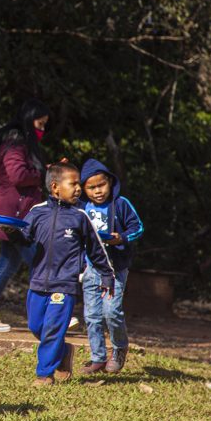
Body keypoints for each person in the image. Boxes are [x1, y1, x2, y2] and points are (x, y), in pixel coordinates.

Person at [11, 160, 114, 386]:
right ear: (56, 187)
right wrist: (11, 232)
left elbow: (96, 250)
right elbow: (24, 237)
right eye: (73, 183)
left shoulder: (80, 216)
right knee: (35, 326)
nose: (79, 188)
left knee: (52, 329)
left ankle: (44, 374)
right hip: (37, 282)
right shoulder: (37, 212)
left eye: (79, 184)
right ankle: (64, 350)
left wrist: (107, 275)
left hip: (65, 284)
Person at [0, 99, 51, 333]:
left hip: (16, 212)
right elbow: (17, 175)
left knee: (7, 264)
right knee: (39, 262)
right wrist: (43, 174)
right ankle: (52, 314)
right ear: (29, 120)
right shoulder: (17, 141)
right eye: (40, 123)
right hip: (14, 216)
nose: (42, 129)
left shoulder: (20, 141)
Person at [78, 159, 144, 374]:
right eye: (91, 187)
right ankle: (97, 357)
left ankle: (119, 348)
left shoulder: (121, 203)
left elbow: (138, 228)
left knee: (112, 312)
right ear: (83, 189)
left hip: (115, 269)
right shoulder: (81, 208)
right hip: (91, 268)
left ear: (110, 183)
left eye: (101, 185)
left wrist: (121, 238)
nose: (98, 191)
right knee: (92, 315)